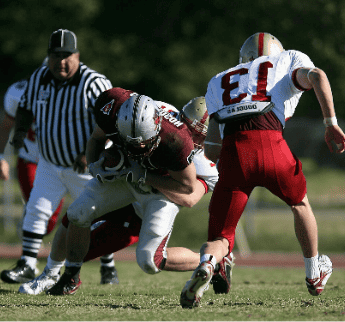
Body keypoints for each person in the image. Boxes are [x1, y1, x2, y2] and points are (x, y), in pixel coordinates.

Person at [180, 32, 345, 308]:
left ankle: (209, 265)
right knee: (299, 204)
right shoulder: (286, 60)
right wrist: (330, 123)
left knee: (221, 236)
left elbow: (212, 149)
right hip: (271, 141)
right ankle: (313, 273)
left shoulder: (219, 79)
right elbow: (317, 75)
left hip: (234, 151)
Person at [18, 91, 234, 295]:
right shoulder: (136, 112)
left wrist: (145, 176)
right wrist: (100, 163)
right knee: (76, 214)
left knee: (149, 260)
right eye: (187, 125)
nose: (190, 135)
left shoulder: (193, 153)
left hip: (159, 194)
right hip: (129, 177)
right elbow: (103, 139)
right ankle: (57, 276)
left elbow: (189, 196)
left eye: (197, 134)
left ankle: (210, 263)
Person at [0, 29, 117, 285]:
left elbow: (111, 121)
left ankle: (108, 266)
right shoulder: (40, 76)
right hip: (50, 163)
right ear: (48, 56)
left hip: (85, 167)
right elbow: (26, 106)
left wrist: (90, 154)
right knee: (36, 209)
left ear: (77, 55)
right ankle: (28, 264)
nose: (61, 61)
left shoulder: (93, 82)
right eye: (55, 55)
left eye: (66, 55)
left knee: (95, 216)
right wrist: (19, 131)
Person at [0, 60, 64, 238]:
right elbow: (6, 126)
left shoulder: (75, 94)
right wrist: (0, 157)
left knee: (50, 220)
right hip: (30, 159)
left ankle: (30, 233)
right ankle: (28, 253)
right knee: (39, 209)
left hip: (58, 165)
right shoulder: (19, 93)